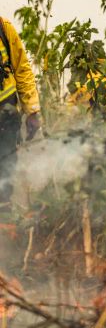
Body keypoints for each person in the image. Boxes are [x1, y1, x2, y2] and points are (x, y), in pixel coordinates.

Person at [0, 17, 41, 210]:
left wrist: (32, 110)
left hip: (6, 118)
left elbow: (22, 69)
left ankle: (5, 220)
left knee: (5, 168)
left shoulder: (4, 29)